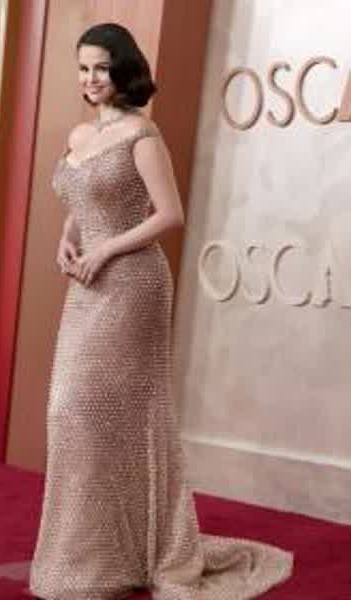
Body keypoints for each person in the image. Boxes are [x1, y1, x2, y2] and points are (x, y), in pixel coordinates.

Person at [28, 22, 294, 600]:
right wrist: (68, 239)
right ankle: (97, 556)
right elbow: (83, 197)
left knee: (104, 412)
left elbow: (169, 214)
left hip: (131, 284)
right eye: (83, 68)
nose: (90, 79)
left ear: (123, 68)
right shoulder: (81, 134)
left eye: (101, 68)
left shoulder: (141, 134)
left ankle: (127, 555)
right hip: (86, 281)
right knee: (69, 413)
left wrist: (105, 249)